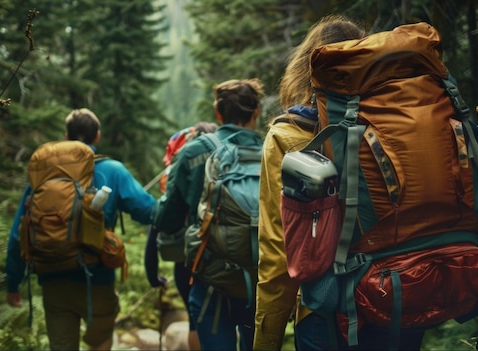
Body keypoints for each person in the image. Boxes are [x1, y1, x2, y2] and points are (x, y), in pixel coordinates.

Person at [254, 15, 365, 351]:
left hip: (325, 306)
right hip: (400, 293)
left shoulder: (287, 136)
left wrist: (266, 340)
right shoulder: (391, 124)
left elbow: (278, 250)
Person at [6, 108, 156, 351]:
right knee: (101, 342)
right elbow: (148, 211)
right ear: (97, 136)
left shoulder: (44, 176)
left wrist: (13, 283)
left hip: (53, 279)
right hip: (97, 280)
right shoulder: (113, 171)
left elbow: (16, 235)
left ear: (66, 137)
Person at [151, 78, 264, 351]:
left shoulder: (193, 152)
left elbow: (166, 219)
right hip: (262, 279)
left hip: (212, 278)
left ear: (218, 113)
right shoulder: (273, 150)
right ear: (257, 111)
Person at [144, 121, 217, 350]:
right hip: (225, 256)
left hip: (187, 264)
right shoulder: (226, 164)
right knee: (223, 320)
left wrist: (154, 276)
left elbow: (158, 223)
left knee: (196, 321)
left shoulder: (183, 170)